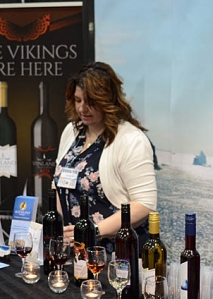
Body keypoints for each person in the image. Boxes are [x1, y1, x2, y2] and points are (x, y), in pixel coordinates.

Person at [53, 62, 157, 254]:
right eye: (78, 100)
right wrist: (61, 230)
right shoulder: (71, 131)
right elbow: (58, 183)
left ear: (107, 101)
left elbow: (144, 205)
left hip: (117, 253)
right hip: (76, 250)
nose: (82, 108)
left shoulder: (131, 139)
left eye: (90, 102)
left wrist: (94, 231)